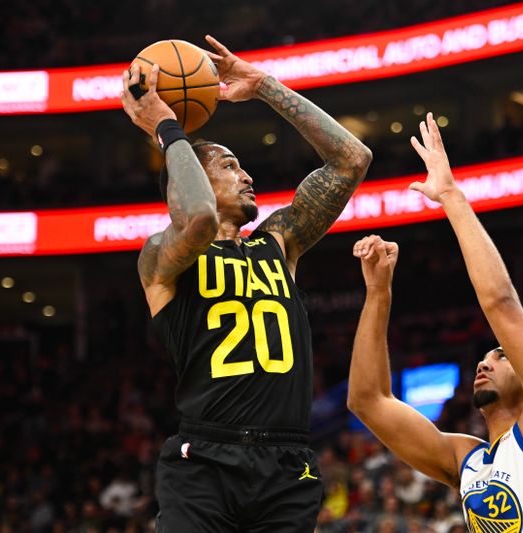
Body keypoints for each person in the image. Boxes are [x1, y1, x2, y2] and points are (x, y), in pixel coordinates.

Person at [120, 35, 372, 532]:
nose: (247, 174)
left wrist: (264, 86)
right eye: (229, 165)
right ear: (191, 176)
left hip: (286, 463)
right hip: (205, 461)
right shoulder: (161, 256)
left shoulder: (279, 242)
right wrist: (168, 130)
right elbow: (197, 220)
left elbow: (352, 160)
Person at [347, 113, 523, 532]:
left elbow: (500, 303)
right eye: (486, 356)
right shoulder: (468, 462)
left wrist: (450, 196)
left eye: (501, 356)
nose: (484, 363)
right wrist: (378, 294)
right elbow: (368, 401)